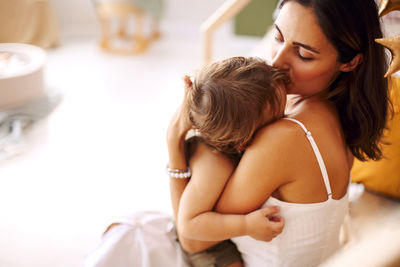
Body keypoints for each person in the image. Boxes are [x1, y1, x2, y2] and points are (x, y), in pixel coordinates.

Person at [168, 0, 390, 266]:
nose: (276, 60)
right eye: (278, 37)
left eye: (304, 55)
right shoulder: (338, 110)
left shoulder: (286, 137)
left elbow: (193, 238)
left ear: (350, 62)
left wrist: (174, 142)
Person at [169, 56, 289, 267]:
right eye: (278, 117)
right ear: (243, 143)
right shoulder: (214, 163)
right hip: (212, 251)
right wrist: (245, 225)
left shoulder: (229, 138)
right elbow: (188, 224)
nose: (286, 118)